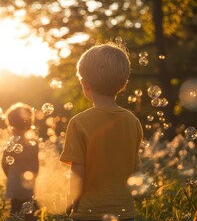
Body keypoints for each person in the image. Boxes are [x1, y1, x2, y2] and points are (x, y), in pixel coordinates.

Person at [60, 43, 143, 221]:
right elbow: (136, 167)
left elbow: (78, 170)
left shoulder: (78, 122)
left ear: (85, 84)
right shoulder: (132, 121)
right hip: (125, 212)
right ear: (122, 85)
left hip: (89, 212)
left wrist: (72, 198)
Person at [2, 102, 40, 221]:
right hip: (28, 185)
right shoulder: (33, 143)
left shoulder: (11, 142)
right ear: (29, 123)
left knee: (15, 211)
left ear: (10, 123)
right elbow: (36, 165)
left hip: (14, 183)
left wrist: (11, 175)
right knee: (30, 213)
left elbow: (4, 164)